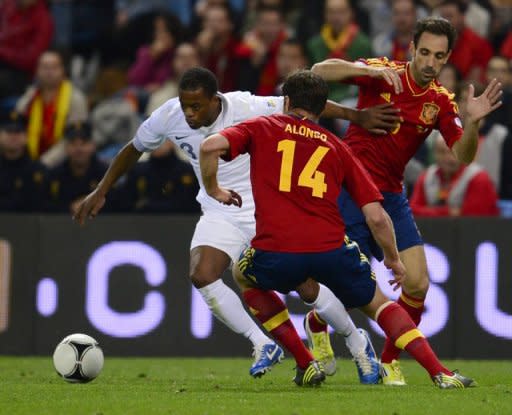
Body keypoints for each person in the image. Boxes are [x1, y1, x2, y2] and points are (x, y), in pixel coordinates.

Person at [73, 67, 400, 381]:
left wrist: (355, 116)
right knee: (201, 274)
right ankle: (262, 344)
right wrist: (101, 191)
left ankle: (355, 340)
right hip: (220, 209)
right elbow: (133, 149)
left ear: (216, 98)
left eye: (197, 106)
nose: (189, 114)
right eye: (186, 105)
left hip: (265, 208)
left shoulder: (249, 106)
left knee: (306, 285)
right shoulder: (168, 114)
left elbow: (302, 104)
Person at [199, 69, 475, 389]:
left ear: (286, 101)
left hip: (277, 249)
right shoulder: (338, 147)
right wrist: (393, 260)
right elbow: (377, 217)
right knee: (381, 305)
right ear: (320, 109)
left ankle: (305, 362)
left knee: (242, 274)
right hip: (331, 249)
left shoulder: (262, 126)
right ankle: (439, 371)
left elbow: (209, 147)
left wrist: (215, 188)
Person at [311, 16, 502, 385]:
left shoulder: (440, 102)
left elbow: (462, 156)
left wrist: (473, 122)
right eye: (426, 52)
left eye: (440, 56)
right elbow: (320, 70)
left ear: (447, 58)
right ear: (412, 48)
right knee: (347, 287)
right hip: (351, 188)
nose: (431, 63)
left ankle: (388, 361)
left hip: (392, 196)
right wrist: (360, 70)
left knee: (417, 283)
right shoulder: (382, 72)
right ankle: (317, 321)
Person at [16, 49, 88, 167]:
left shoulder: (75, 99)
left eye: (54, 67)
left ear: (62, 70)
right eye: (44, 67)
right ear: (37, 71)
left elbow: (75, 139)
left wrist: (44, 162)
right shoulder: (29, 97)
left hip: (64, 164)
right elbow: (17, 129)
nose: (49, 72)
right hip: (29, 159)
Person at [410, 132, 499, 217]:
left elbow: (472, 218)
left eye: (453, 152)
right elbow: (412, 212)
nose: (447, 158)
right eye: (441, 152)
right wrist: (450, 212)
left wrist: (428, 211)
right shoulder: (426, 177)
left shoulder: (479, 178)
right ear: (434, 154)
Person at [46, 121, 109, 214]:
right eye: (73, 144)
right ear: (66, 147)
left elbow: (116, 206)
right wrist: (69, 207)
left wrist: (93, 204)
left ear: (93, 146)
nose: (79, 149)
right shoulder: (55, 175)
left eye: (83, 143)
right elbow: (45, 208)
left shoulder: (106, 174)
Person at [0, 112, 47, 212]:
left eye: (18, 132)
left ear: (26, 137)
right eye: (9, 131)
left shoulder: (38, 171)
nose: (13, 136)